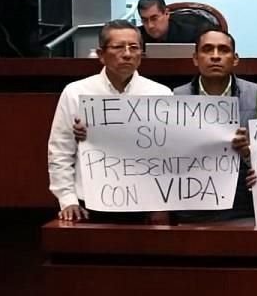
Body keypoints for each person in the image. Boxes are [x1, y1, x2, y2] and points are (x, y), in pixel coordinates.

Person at [47, 20, 172, 222]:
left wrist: (161, 204)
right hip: (88, 203)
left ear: (142, 54)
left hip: (145, 202)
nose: (127, 54)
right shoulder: (76, 92)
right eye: (118, 47)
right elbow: (60, 151)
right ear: (101, 54)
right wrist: (67, 199)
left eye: (134, 47)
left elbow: (168, 155)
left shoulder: (161, 94)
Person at [172, 28, 257, 222]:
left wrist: (247, 151)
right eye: (207, 49)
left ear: (235, 59)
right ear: (195, 58)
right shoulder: (175, 98)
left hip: (243, 206)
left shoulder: (256, 96)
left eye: (223, 50)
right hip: (190, 205)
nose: (215, 56)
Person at [137, 0, 213, 45]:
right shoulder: (137, 37)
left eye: (154, 18)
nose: (150, 26)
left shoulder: (190, 35)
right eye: (144, 20)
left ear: (167, 13)